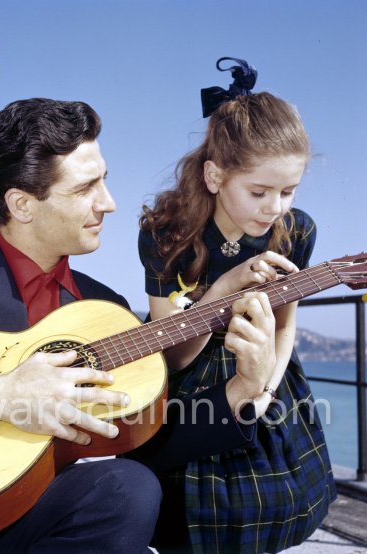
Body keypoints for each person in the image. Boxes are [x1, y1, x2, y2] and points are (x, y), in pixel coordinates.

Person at [0, 97, 278, 554]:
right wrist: (0, 396)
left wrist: (242, 390)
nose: (110, 204)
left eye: (106, 181)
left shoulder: (103, 306)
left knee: (131, 488)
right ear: (21, 204)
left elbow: (138, 441)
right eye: (85, 189)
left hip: (45, 517)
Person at [134, 58, 336, 552]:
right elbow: (172, 356)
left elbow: (285, 327)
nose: (275, 209)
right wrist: (223, 291)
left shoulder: (296, 230)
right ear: (214, 175)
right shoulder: (167, 234)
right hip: (193, 387)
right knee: (191, 522)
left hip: (266, 371)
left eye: (289, 191)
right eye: (260, 191)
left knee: (270, 510)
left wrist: (264, 387)